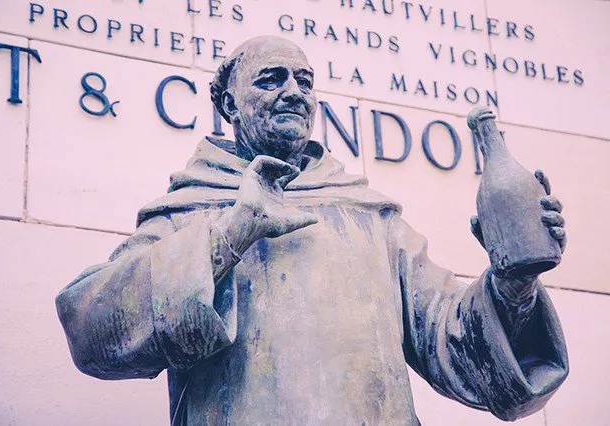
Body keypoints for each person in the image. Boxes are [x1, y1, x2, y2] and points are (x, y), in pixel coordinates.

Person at [56, 36, 568, 425]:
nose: (293, 93)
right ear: (229, 105)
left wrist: (512, 285)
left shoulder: (369, 217)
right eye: (271, 79)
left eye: (304, 81)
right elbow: (93, 332)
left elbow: (456, 344)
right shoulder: (191, 212)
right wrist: (229, 234)